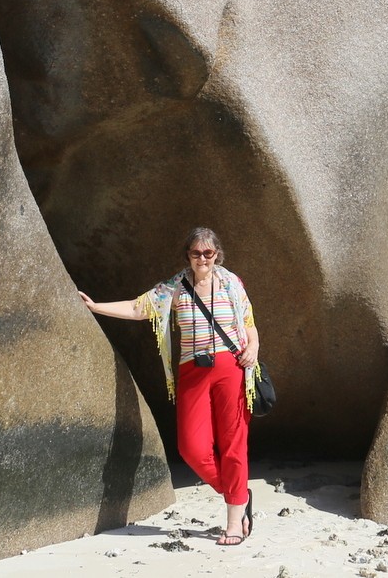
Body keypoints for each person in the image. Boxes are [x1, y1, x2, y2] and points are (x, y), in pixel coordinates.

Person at [78, 227, 263, 546]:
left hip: (232, 368)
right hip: (192, 371)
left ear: (217, 254)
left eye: (208, 253)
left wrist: (254, 348)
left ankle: (234, 520)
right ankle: (238, 494)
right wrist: (96, 307)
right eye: (196, 253)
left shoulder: (231, 283)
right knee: (191, 448)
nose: (202, 258)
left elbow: (248, 324)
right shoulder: (174, 288)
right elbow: (139, 308)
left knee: (233, 443)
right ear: (187, 255)